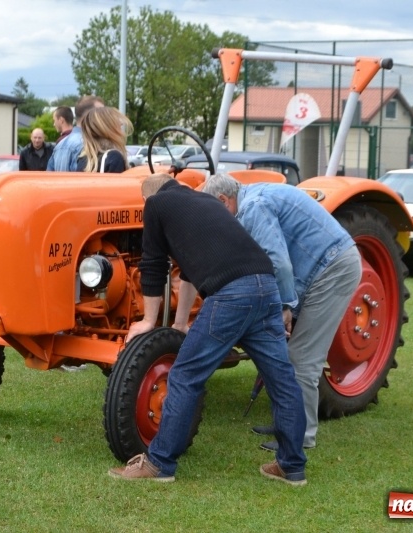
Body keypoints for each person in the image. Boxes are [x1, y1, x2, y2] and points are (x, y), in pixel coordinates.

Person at [108, 174, 307, 486]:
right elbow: (187, 271)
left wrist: (148, 320)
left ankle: (159, 464)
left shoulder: (157, 204)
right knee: (281, 378)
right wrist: (179, 323)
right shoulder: (202, 201)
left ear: (149, 199)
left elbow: (154, 264)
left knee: (185, 376)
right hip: (266, 285)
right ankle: (292, 466)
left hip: (232, 293)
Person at [202, 173, 362, 450]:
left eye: (214, 212)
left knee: (302, 358)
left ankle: (300, 437)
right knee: (287, 355)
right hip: (322, 267)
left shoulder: (254, 207)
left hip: (332, 269)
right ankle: (286, 424)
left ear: (223, 201)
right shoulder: (253, 197)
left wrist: (286, 306)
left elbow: (280, 264)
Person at [46, 95, 104, 172]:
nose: (105, 117)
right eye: (101, 113)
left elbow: (48, 177)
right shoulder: (86, 145)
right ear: (88, 115)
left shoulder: (59, 145)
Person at [75, 107, 132, 173]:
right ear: (108, 128)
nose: (121, 125)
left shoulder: (84, 158)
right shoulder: (113, 157)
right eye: (118, 125)